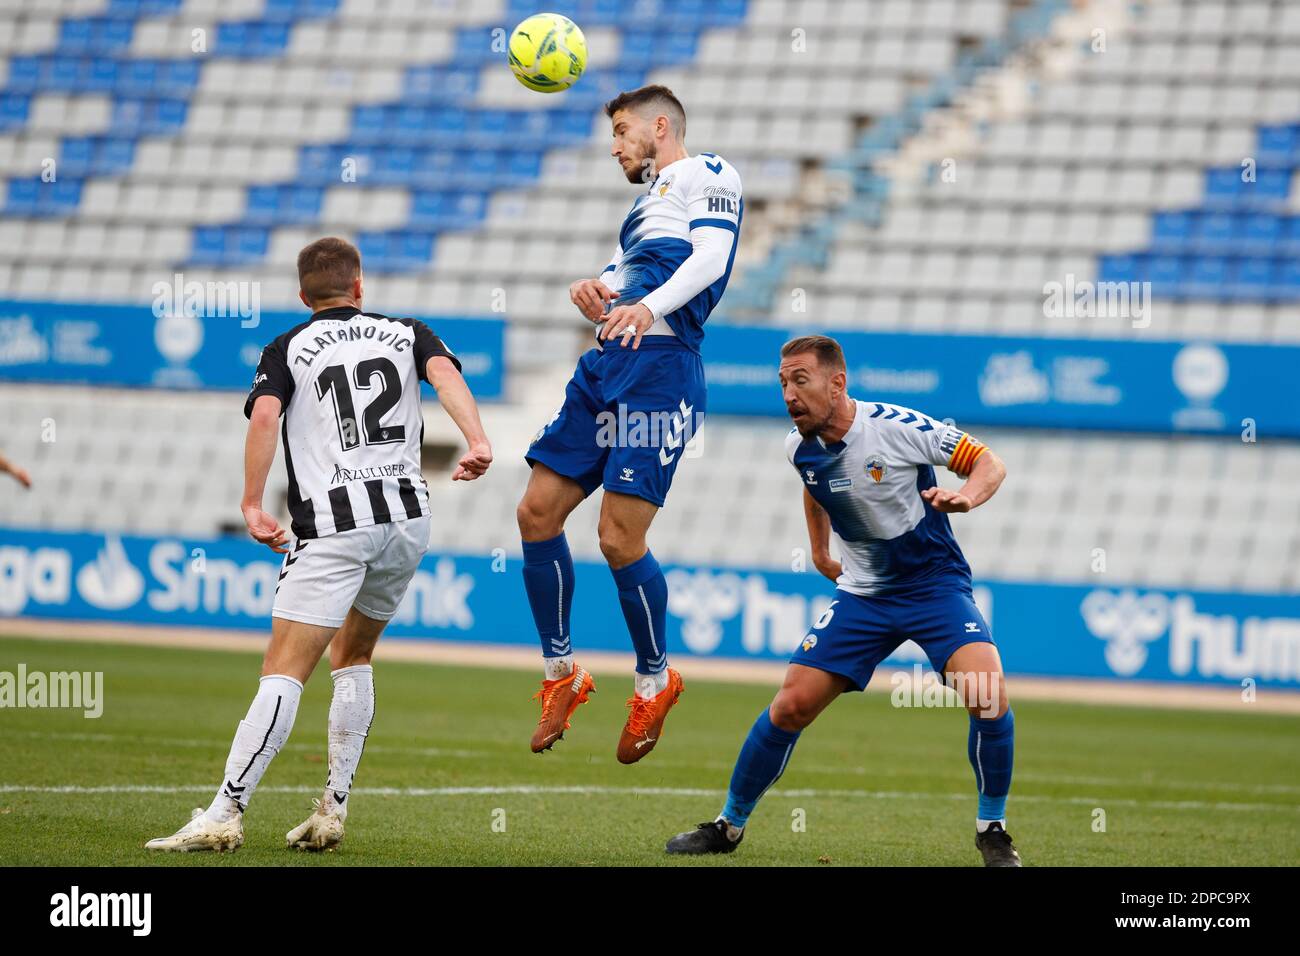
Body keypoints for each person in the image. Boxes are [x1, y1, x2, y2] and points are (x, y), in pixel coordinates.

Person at [145, 237, 492, 852]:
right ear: (360, 289)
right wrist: (478, 440)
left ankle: (225, 813)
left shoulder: (287, 346)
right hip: (407, 520)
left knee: (284, 670)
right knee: (353, 656)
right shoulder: (407, 331)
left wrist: (253, 503)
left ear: (303, 297)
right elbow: (444, 376)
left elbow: (264, 418)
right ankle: (331, 809)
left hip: (334, 523)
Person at [665, 335, 1021, 866]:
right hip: (864, 593)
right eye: (783, 381)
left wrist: (964, 497)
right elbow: (815, 485)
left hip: (933, 585)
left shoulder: (898, 427)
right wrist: (818, 549)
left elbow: (989, 462)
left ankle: (992, 830)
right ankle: (727, 826)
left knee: (987, 694)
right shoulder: (798, 446)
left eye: (800, 379)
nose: (788, 392)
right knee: (790, 705)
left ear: (837, 383)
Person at [516, 85, 743, 763]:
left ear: (661, 125)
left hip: (661, 370)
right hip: (608, 364)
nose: (614, 144)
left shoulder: (710, 174)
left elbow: (711, 259)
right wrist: (599, 292)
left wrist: (645, 309)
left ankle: (654, 680)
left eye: (621, 130)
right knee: (535, 514)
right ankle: (563, 674)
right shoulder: (644, 208)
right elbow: (626, 285)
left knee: (618, 537)